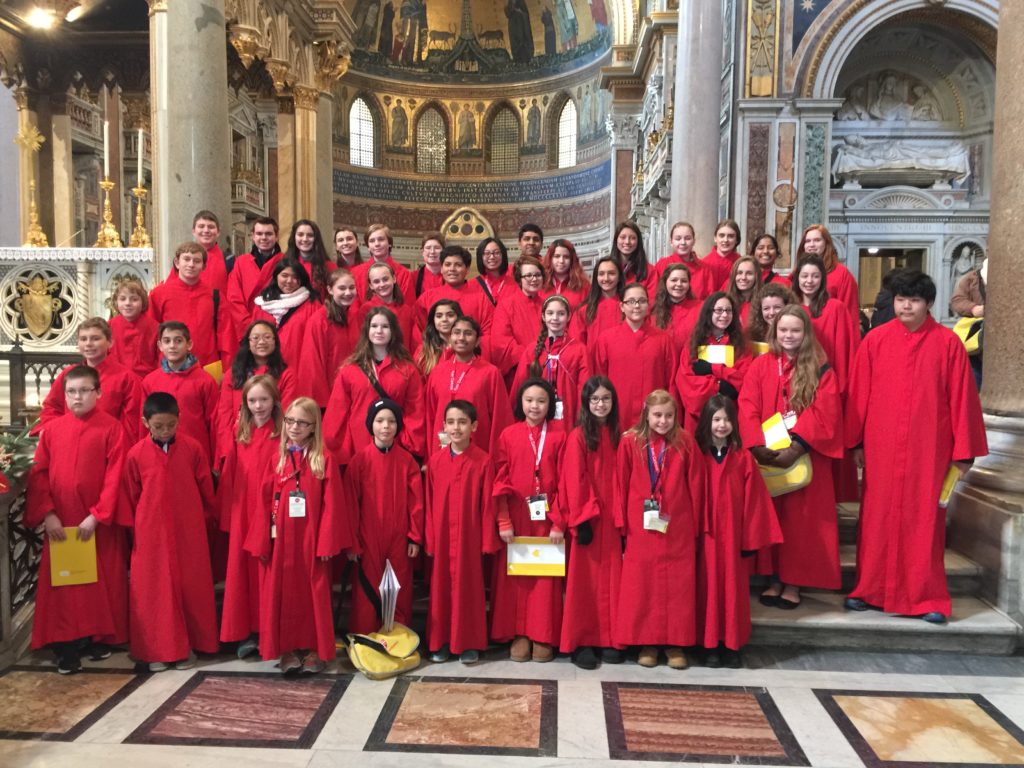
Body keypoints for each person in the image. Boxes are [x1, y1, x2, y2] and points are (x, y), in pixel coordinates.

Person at [845, 270, 987, 623]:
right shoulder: (875, 341)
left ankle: (926, 597)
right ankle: (869, 589)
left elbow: (961, 399)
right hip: (882, 446)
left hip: (930, 448)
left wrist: (963, 452)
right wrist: (857, 442)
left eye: (914, 300)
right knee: (876, 517)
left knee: (925, 521)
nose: (906, 306)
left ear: (928, 304)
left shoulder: (948, 343)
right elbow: (860, 395)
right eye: (900, 299)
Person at [25, 365, 128, 674]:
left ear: (98, 393)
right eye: (71, 391)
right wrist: (48, 514)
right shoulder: (52, 431)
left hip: (95, 521)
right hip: (63, 521)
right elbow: (40, 474)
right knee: (65, 585)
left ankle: (98, 637)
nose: (77, 397)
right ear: (64, 395)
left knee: (101, 580)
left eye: (84, 390)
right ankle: (66, 646)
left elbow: (116, 475)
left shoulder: (112, 428)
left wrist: (97, 516)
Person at [739, 306, 843, 608]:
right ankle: (774, 579)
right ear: (775, 332)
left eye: (795, 330)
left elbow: (826, 410)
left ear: (806, 333)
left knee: (802, 524)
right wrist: (757, 446)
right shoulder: (761, 365)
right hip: (770, 456)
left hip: (806, 456)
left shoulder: (820, 367)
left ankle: (794, 583)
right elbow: (747, 404)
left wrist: (796, 448)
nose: (788, 336)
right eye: (783, 330)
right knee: (775, 520)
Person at [244, 397, 351, 674]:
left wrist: (327, 541)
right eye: (290, 421)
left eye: (302, 423)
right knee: (282, 593)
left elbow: (332, 505)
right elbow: (263, 502)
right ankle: (288, 649)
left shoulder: (323, 460)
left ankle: (316, 649)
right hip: (281, 539)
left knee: (314, 592)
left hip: (311, 539)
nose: (294, 427)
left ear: (314, 427)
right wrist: (262, 541)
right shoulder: (276, 460)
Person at [120, 391, 218, 671]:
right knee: (155, 590)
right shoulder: (136, 454)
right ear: (145, 422)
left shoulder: (193, 448)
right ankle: (156, 650)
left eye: (171, 425)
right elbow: (132, 494)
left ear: (179, 420)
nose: (165, 432)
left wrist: (207, 519)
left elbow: (205, 491)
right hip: (151, 532)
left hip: (189, 529)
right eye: (158, 426)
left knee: (190, 587)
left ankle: (190, 645)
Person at [614, 389, 704, 669]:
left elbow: (697, 484)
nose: (662, 421)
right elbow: (619, 484)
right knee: (643, 586)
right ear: (646, 415)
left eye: (668, 416)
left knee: (678, 588)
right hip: (640, 526)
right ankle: (647, 643)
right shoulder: (630, 442)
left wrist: (697, 525)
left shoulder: (685, 442)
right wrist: (621, 525)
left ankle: (675, 644)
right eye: (657, 415)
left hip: (677, 525)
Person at [695, 395, 781, 668]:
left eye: (727, 419)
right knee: (705, 589)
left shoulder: (743, 459)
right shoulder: (696, 456)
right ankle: (707, 644)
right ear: (707, 422)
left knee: (732, 589)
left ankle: (731, 645)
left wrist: (750, 539)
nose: (722, 425)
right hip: (704, 536)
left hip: (733, 538)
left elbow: (754, 502)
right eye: (717, 419)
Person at [491, 378, 568, 663]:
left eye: (541, 401)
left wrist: (559, 522)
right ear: (520, 403)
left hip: (548, 519)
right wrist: (503, 520)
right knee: (518, 576)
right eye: (529, 400)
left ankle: (543, 634)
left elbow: (567, 482)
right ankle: (519, 633)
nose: (534, 406)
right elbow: (500, 479)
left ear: (550, 405)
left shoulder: (560, 436)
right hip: (517, 516)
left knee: (544, 577)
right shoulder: (508, 435)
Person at [424, 400, 499, 665]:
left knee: (469, 588)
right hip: (444, 536)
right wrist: (431, 539)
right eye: (451, 422)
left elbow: (489, 505)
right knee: (441, 586)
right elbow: (429, 504)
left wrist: (487, 540)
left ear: (474, 426)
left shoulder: (483, 461)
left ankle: (468, 642)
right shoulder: (435, 462)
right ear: (443, 425)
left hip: (469, 535)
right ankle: (441, 641)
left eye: (463, 422)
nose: (456, 428)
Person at [343, 399, 424, 634]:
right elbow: (350, 505)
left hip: (399, 536)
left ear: (398, 426)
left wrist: (414, 537)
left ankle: (398, 636)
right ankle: (365, 636)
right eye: (379, 421)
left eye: (391, 421)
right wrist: (353, 543)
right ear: (371, 425)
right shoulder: (359, 462)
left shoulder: (407, 461)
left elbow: (416, 503)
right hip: (368, 537)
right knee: (367, 589)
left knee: (400, 587)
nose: (385, 426)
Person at [559, 376, 623, 669]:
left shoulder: (622, 434)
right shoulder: (578, 437)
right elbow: (574, 478)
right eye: (595, 399)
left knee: (614, 582)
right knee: (585, 583)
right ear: (586, 403)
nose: (600, 404)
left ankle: (610, 638)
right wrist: (581, 518)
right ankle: (583, 640)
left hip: (616, 519)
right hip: (590, 520)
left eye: (606, 399)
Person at [217, 375, 281, 659]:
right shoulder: (239, 431)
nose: (258, 406)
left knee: (268, 573)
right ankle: (249, 632)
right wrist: (229, 516)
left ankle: (270, 631)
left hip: (270, 512)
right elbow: (230, 475)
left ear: (275, 401)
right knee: (244, 574)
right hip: (244, 511)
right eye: (252, 400)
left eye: (264, 400)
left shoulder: (281, 433)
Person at [323, 306, 425, 465]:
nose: (379, 331)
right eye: (374, 326)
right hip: (359, 447)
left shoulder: (408, 371)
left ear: (393, 332)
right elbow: (337, 414)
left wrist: (408, 446)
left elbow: (415, 412)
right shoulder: (349, 371)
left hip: (395, 445)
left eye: (385, 326)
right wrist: (336, 451)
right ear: (367, 331)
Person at [37, 317, 143, 442]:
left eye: (95, 338)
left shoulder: (127, 378)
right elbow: (52, 408)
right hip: (70, 440)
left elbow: (131, 424)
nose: (88, 344)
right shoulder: (68, 374)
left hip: (107, 444)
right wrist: (58, 432)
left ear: (110, 342)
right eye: (83, 339)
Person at [425, 316, 512, 457]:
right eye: (456, 332)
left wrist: (497, 458)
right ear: (450, 336)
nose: (461, 337)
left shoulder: (490, 373)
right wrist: (428, 457)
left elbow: (500, 418)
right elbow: (429, 416)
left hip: (477, 452)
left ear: (477, 341)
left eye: (468, 333)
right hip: (441, 449)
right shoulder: (437, 372)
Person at [592, 283, 676, 427]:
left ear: (648, 305)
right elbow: (600, 381)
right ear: (621, 307)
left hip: (654, 417)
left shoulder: (663, 340)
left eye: (642, 301)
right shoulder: (606, 339)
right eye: (630, 301)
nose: (636, 306)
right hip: (618, 415)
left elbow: (671, 380)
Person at [215, 320, 296, 468]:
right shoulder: (233, 374)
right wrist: (227, 449)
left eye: (267, 337)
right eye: (256, 338)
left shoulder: (286, 374)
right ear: (248, 342)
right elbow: (224, 414)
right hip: (239, 441)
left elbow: (286, 414)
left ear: (275, 341)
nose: (261, 342)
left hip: (271, 442)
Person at [141, 321, 219, 464]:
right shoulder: (149, 381)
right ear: (160, 346)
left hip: (197, 456)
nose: (172, 346)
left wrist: (215, 462)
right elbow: (144, 423)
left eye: (178, 341)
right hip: (158, 456)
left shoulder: (205, 381)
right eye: (167, 341)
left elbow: (214, 423)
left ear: (189, 345)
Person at [675, 292, 751, 432]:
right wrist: (720, 385)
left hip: (729, 415)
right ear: (708, 312)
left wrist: (712, 369)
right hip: (698, 417)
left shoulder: (741, 345)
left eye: (728, 310)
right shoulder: (693, 343)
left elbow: (743, 379)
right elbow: (686, 381)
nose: (724, 315)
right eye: (719, 310)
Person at [148, 241, 230, 368]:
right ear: (177, 263)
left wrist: (227, 368)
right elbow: (151, 333)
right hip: (169, 366)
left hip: (207, 365)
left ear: (203, 266)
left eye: (197, 261)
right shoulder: (158, 294)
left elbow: (226, 336)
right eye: (186, 259)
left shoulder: (216, 296)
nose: (191, 264)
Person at [511, 295, 589, 428]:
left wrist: (580, 419)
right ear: (543, 316)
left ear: (569, 316)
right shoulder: (532, 349)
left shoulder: (579, 349)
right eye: (550, 313)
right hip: (536, 415)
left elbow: (583, 387)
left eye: (561, 314)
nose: (555, 318)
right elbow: (520, 385)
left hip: (567, 416)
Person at [791, 255, 858, 394]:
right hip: (795, 382)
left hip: (827, 383)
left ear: (822, 279)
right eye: (804, 276)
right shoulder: (790, 308)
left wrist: (839, 388)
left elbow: (843, 353)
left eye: (815, 276)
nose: (809, 281)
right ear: (797, 278)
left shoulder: (836, 308)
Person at [297, 267, 361, 408]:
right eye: (342, 288)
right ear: (330, 290)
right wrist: (324, 404)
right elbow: (312, 365)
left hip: (355, 393)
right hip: (331, 398)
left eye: (352, 287)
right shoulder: (318, 321)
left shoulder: (357, 317)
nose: (348, 293)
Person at [251, 258, 319, 371]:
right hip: (265, 369)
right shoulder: (262, 305)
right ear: (276, 276)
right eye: (284, 275)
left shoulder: (312, 305)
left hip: (297, 368)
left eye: (295, 277)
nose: (289, 281)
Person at [416, 245, 495, 334]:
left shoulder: (482, 300)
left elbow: (487, 333)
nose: (452, 269)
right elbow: (419, 332)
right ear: (441, 269)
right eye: (447, 264)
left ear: (467, 269)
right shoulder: (427, 298)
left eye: (458, 265)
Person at [226, 216, 282, 340]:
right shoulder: (241, 262)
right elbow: (233, 298)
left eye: (268, 234)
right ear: (253, 236)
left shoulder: (286, 262)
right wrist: (249, 327)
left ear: (276, 236)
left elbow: (288, 298)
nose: (263, 238)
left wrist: (271, 326)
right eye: (259, 233)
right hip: (246, 328)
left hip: (276, 328)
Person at [491, 256, 547, 378]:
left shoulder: (548, 305)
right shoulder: (506, 305)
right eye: (528, 275)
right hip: (519, 369)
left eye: (538, 275)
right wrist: (532, 357)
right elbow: (502, 342)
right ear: (519, 279)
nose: (534, 279)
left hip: (547, 367)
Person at [796, 224, 859, 321]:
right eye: (808, 241)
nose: (812, 244)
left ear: (826, 243)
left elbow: (850, 312)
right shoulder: (796, 273)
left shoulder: (842, 274)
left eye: (817, 240)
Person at [569, 255, 625, 356]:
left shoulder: (628, 307)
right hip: (593, 366)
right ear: (596, 277)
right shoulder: (584, 310)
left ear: (620, 277)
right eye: (601, 274)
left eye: (611, 273)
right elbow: (576, 346)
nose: (606, 278)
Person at [356, 261, 419, 348]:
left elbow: (412, 343)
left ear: (394, 279)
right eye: (376, 282)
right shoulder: (366, 309)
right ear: (371, 285)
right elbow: (363, 342)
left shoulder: (406, 310)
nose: (382, 284)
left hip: (402, 359)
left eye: (385, 279)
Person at [109, 278, 159, 378]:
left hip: (146, 379)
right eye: (122, 299)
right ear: (116, 302)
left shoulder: (155, 327)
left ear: (143, 301)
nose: (128, 303)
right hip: (116, 378)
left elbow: (160, 358)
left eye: (134, 299)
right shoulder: (108, 327)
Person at [654, 221, 716, 300]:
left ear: (694, 241)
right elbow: (655, 295)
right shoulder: (662, 264)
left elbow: (709, 299)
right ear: (671, 242)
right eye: (678, 239)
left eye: (687, 238)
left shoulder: (705, 269)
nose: (683, 242)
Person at [352, 223, 414, 299]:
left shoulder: (404, 274)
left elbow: (408, 305)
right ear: (368, 247)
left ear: (389, 243)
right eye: (372, 241)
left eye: (381, 239)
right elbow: (354, 304)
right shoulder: (356, 273)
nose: (377, 244)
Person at [951, 257, 986, 389]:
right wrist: (973, 308)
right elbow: (957, 300)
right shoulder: (971, 278)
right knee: (974, 381)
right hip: (977, 339)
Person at [652, 263, 702, 356]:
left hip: (689, 363)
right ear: (665, 282)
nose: (679, 284)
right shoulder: (653, 310)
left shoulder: (700, 308)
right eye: (674, 280)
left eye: (684, 281)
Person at [285, 219, 336, 299]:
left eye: (310, 235)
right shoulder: (284, 264)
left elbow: (334, 298)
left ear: (316, 239)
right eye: (300, 234)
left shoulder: (329, 266)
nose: (305, 239)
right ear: (294, 237)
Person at [415, 299, 462, 375]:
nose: (444, 319)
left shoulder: (467, 348)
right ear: (433, 320)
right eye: (439, 316)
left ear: (459, 318)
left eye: (450, 315)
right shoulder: (423, 351)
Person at [540, 239, 589, 309]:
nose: (561, 261)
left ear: (572, 260)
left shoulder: (584, 285)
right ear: (550, 258)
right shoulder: (540, 283)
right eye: (557, 256)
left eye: (566, 257)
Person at [611, 220, 656, 295]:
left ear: (638, 242)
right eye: (623, 237)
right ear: (616, 240)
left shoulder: (650, 271)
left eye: (632, 238)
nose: (627, 242)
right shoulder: (606, 269)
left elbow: (653, 302)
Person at [746, 283, 795, 348]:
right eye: (766, 308)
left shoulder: (796, 333)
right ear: (760, 311)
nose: (772, 313)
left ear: (788, 306)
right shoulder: (752, 334)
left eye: (777, 307)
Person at [192, 210, 229, 293]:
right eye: (201, 226)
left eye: (211, 227)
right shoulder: (183, 260)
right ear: (193, 231)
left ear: (218, 232)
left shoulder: (230, 261)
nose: (206, 230)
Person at [702, 219, 743, 289]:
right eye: (722, 235)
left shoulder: (742, 263)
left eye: (730, 236)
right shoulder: (704, 263)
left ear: (736, 240)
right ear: (715, 238)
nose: (725, 240)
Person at [725, 255, 763, 327]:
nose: (743, 277)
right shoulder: (726, 302)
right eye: (739, 273)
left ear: (756, 276)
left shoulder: (764, 304)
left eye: (749, 273)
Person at [414, 233, 446, 298]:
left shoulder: (451, 278)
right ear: (422, 252)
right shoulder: (412, 277)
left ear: (443, 252)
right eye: (428, 248)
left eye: (437, 248)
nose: (432, 251)